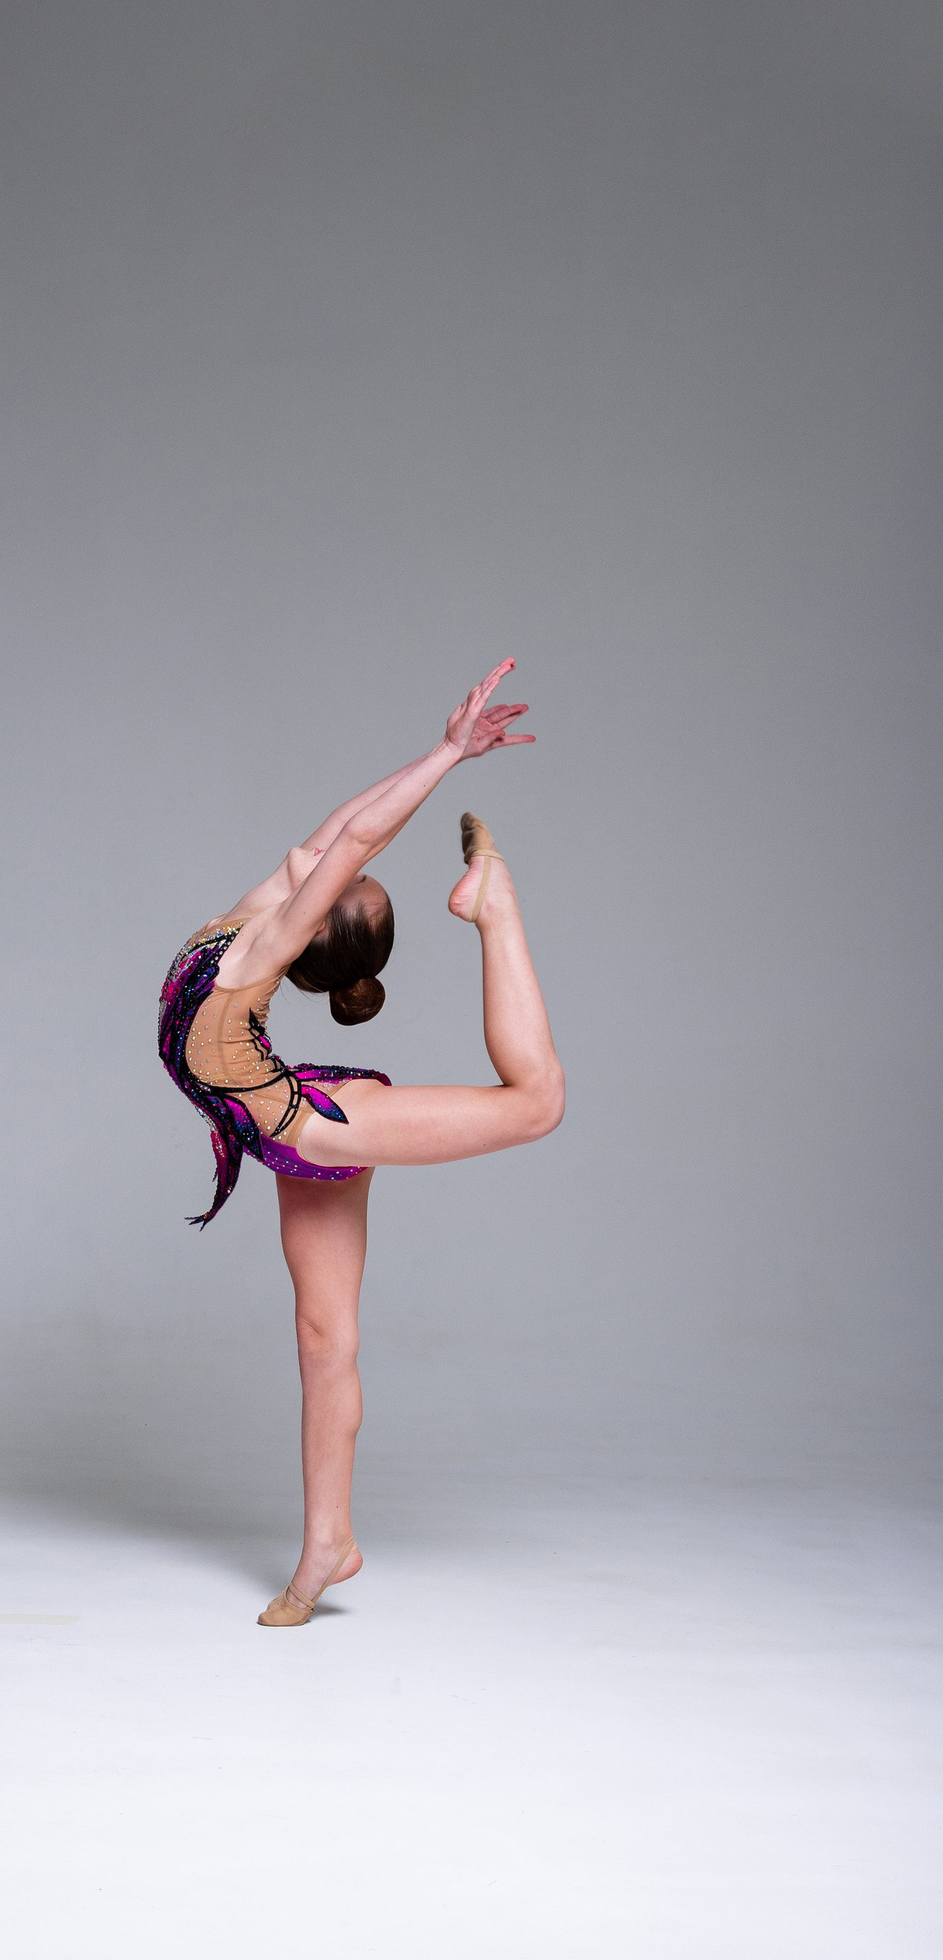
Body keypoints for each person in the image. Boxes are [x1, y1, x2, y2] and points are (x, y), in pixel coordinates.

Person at [157, 662, 562, 1627]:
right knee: (325, 1340)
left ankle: (496, 908)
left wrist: (451, 756)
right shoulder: (247, 920)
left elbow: (357, 841)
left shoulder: (255, 954)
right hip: (287, 1131)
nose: (322, 858)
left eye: (341, 881)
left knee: (537, 1103)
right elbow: (345, 832)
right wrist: (439, 752)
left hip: (321, 1124)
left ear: (311, 928)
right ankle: (327, 1546)